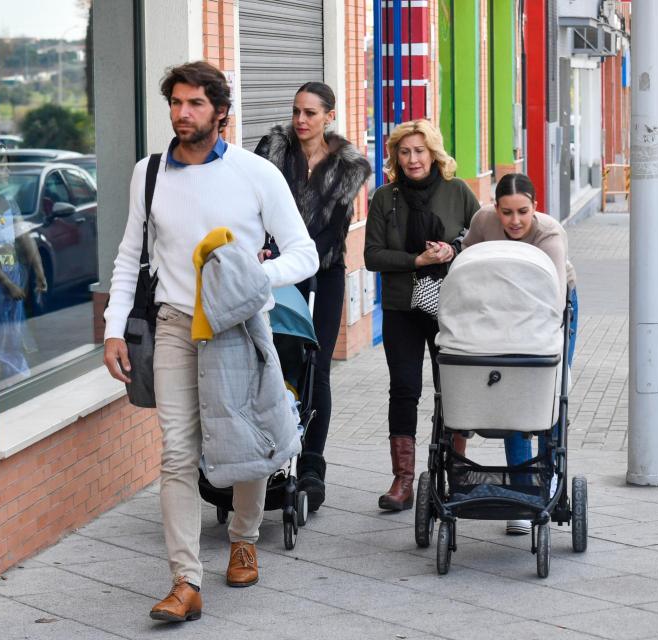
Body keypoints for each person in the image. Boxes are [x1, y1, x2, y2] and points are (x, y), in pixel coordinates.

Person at [103, 61, 318, 623]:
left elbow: (304, 253)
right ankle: (185, 581)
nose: (181, 113)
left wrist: (251, 277)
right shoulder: (148, 174)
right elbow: (130, 256)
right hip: (174, 325)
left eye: (194, 103)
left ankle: (244, 538)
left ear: (221, 112)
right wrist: (112, 330)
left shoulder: (255, 173)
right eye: (175, 103)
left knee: (240, 439)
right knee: (177, 452)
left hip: (239, 327)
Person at [253, 82, 371, 511]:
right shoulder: (272, 150)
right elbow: (254, 206)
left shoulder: (349, 166)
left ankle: (312, 466)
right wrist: (265, 248)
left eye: (310, 113)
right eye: (296, 111)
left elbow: (333, 230)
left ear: (329, 116)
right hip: (279, 269)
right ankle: (270, 455)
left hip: (324, 266)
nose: (300, 120)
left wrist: (295, 257)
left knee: (317, 363)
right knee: (278, 357)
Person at [364, 119, 479, 512]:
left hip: (450, 305)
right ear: (396, 156)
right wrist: (417, 259)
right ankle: (404, 479)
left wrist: (452, 250)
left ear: (433, 153)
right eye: (404, 151)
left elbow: (481, 238)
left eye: (420, 150)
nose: (412, 159)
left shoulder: (457, 191)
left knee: (454, 385)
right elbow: (372, 256)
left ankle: (457, 469)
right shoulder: (385, 197)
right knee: (405, 389)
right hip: (401, 307)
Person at [462, 172, 577, 535]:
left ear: (535, 208)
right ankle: (522, 491)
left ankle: (549, 478)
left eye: (522, 212)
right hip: (499, 310)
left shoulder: (549, 235)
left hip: (550, 309)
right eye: (507, 212)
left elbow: (554, 300)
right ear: (495, 208)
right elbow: (465, 272)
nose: (514, 221)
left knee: (544, 390)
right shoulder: (483, 221)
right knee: (512, 395)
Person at [0, 151, 47, 382]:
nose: (8, 172)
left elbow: (24, 237)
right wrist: (6, 283)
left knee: (12, 334)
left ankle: (16, 381)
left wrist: (38, 269)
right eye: (2, 168)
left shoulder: (9, 203)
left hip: (12, 276)